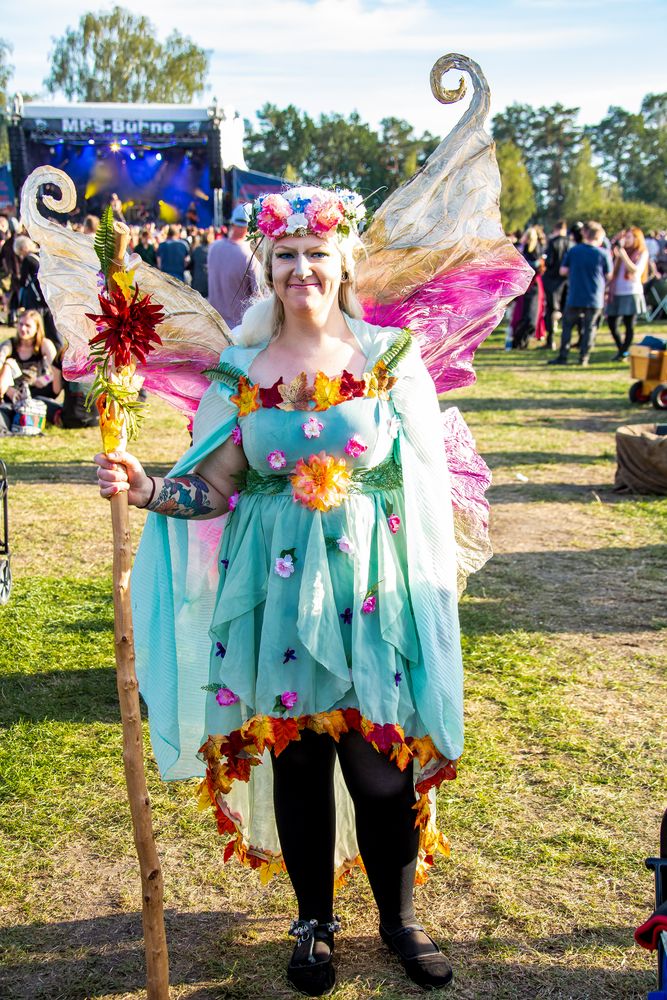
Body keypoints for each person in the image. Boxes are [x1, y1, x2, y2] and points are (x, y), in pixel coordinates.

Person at [95, 185, 463, 996]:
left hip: (371, 595)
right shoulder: (241, 370)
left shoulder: (388, 359)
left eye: (316, 254)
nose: (302, 269)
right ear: (268, 267)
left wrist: (430, 592)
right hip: (276, 598)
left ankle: (399, 920)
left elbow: (424, 486)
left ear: (343, 263)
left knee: (378, 768)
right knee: (297, 764)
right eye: (286, 256)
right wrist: (150, 486)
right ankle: (313, 923)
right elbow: (215, 485)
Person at [549, 220, 611, 367]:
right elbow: (609, 275)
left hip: (576, 293)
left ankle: (563, 356)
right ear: (598, 237)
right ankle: (584, 357)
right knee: (590, 327)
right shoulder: (603, 254)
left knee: (568, 326)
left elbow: (563, 271)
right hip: (594, 296)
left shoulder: (574, 250)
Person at [0, 309, 58, 428]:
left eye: (28, 325)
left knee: (52, 385)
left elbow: (57, 370)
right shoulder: (10, 344)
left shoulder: (44, 344)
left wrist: (45, 378)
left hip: (36, 391)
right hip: (13, 392)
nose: (23, 329)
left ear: (37, 328)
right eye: (20, 324)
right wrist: (8, 389)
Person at [207, 203, 261, 328]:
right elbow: (259, 298)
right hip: (239, 330)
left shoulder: (214, 247)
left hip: (215, 327)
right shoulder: (250, 255)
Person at [606, 226, 649, 360]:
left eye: (629, 237)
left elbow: (635, 271)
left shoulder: (641, 252)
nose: (626, 240)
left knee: (629, 324)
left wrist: (623, 254)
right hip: (617, 292)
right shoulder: (620, 252)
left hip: (631, 292)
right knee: (612, 322)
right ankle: (622, 349)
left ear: (636, 238)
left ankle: (623, 352)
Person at [542, 220, 569, 349]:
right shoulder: (571, 243)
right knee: (565, 310)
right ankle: (565, 340)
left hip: (552, 280)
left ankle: (550, 339)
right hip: (566, 281)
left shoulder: (553, 243)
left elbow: (548, 262)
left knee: (551, 310)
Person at [189, 231, 210, 297]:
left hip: (197, 283)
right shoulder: (213, 251)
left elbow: (191, 266)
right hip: (208, 284)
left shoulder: (196, 250)